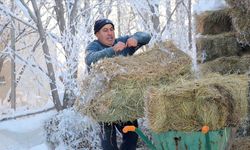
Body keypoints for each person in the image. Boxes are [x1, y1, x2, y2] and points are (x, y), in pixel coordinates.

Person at [85, 18, 151, 150]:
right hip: (103, 105)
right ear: (97, 34)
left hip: (124, 101)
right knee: (109, 144)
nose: (110, 33)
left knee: (132, 137)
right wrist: (113, 50)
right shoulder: (93, 47)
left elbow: (146, 36)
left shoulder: (122, 42)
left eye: (111, 29)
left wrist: (136, 39)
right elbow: (90, 59)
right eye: (105, 30)